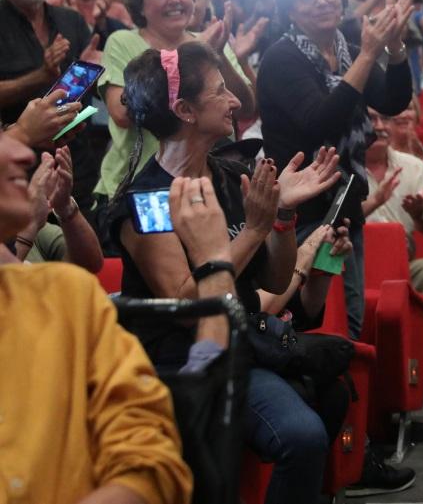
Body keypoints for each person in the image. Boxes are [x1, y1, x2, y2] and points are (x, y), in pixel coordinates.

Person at [103, 41, 345, 504]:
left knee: (311, 426)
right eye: (221, 91)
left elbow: (274, 283)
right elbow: (185, 299)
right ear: (184, 110)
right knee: (299, 436)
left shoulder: (230, 174)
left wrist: (282, 218)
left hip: (243, 348)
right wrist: (253, 229)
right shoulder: (148, 201)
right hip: (181, 364)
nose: (236, 101)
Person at [0, 126, 195, 504]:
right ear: (184, 112)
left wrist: (65, 207)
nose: (24, 155)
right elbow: (192, 304)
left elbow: (149, 451)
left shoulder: (67, 295)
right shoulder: (147, 196)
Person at [257, 0, 415, 345]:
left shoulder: (345, 49)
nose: (322, 1)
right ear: (291, 9)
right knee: (302, 313)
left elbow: (393, 101)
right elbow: (319, 122)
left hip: (344, 206)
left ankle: (353, 391)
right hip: (301, 213)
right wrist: (368, 55)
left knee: (350, 311)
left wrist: (393, 49)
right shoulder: (282, 58)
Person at [95, 0, 255, 204]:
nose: (174, 0)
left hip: (210, 181)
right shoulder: (122, 41)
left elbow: (245, 107)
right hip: (140, 187)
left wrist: (218, 55)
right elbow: (122, 114)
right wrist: (193, 54)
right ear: (139, 5)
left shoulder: (210, 39)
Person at [0, 0, 98, 127]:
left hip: (76, 150)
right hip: (18, 151)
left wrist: (92, 73)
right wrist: (40, 76)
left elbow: (94, 90)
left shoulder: (72, 20)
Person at [363, 107, 423, 302]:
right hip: (356, 266)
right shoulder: (343, 167)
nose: (380, 126)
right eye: (372, 119)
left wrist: (421, 213)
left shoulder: (412, 166)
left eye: (385, 118)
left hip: (401, 264)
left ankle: (407, 328)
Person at [7, 144, 104, 271]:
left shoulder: (19, 224)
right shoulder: (28, 224)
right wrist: (30, 226)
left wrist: (65, 208)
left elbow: (90, 265)